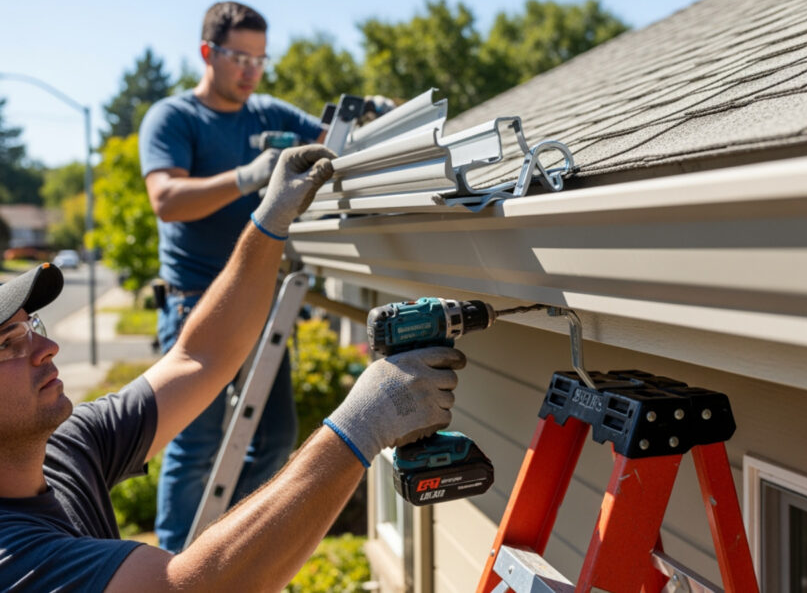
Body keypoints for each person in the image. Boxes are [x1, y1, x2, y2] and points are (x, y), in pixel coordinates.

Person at [0, 146, 465, 591]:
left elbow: (199, 356)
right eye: (8, 343)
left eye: (32, 326)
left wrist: (269, 221)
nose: (47, 347)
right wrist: (364, 423)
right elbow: (194, 589)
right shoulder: (11, 555)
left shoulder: (65, 451)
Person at [138, 1, 325, 552]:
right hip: (195, 303)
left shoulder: (268, 113)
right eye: (238, 57)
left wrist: (374, 120)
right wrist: (247, 177)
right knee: (193, 446)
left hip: (257, 300)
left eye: (259, 59)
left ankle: (217, 550)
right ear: (207, 53)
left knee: (275, 439)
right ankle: (171, 569)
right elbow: (166, 199)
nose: (250, 70)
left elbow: (334, 137)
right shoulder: (174, 118)